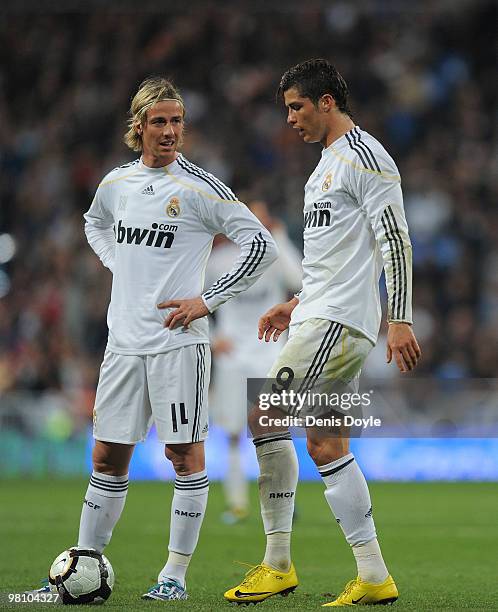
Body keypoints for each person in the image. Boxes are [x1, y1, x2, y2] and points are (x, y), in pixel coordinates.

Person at [30, 76, 278, 601]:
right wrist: (118, 261)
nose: (170, 131)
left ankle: (174, 577)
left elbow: (261, 246)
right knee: (105, 457)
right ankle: (84, 564)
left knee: (185, 457)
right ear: (138, 126)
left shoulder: (199, 189)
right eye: (159, 121)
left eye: (177, 121)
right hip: (122, 343)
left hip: (178, 346)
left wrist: (206, 301)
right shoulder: (116, 184)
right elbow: (94, 223)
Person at [224, 59, 421, 607]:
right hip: (322, 313)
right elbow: (333, 262)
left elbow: (395, 241)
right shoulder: (324, 167)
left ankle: (277, 563)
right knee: (328, 442)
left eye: (296, 107)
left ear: (327, 101)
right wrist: (295, 301)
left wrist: (399, 317)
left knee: (264, 416)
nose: (289, 118)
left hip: (337, 323)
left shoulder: (364, 156)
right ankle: (375, 574)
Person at [207, 200, 302, 523]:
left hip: (271, 352)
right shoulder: (219, 260)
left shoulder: (275, 256)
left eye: (264, 217)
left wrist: (281, 237)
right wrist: (210, 336)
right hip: (233, 355)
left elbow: (300, 280)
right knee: (233, 432)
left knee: (275, 428)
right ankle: (237, 504)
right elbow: (192, 297)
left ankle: (283, 500)